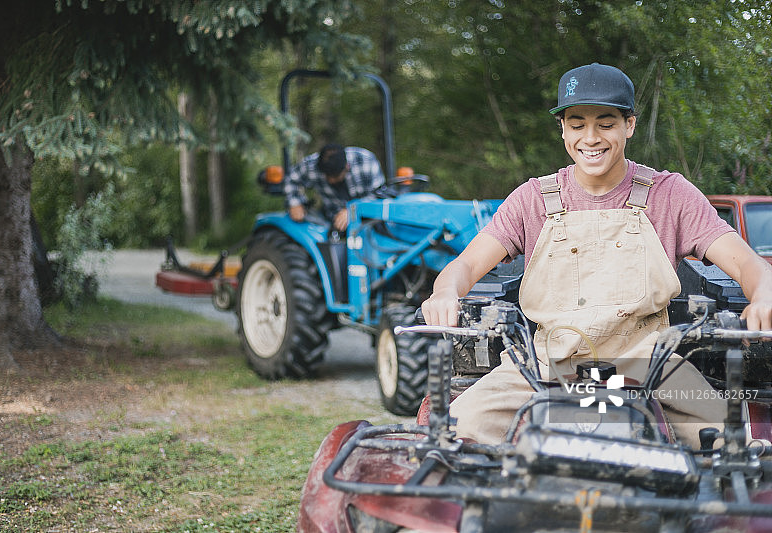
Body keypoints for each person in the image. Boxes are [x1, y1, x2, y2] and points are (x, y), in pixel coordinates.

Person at [421, 63, 772, 447]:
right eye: (577, 124)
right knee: (447, 438)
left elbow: (746, 263)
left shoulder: (671, 194)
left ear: (629, 125)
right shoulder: (533, 198)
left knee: (737, 448)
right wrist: (445, 293)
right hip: (544, 365)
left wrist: (764, 295)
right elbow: (467, 265)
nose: (590, 137)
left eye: (606, 123)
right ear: (563, 129)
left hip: (650, 364)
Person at [283, 144, 386, 231]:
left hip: (368, 218)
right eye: (326, 176)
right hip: (332, 217)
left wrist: (353, 210)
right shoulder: (310, 165)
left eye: (335, 176)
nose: (330, 180)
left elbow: (380, 195)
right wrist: (294, 203)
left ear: (346, 167)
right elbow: (290, 179)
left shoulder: (366, 161)